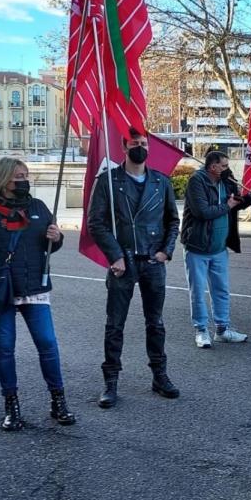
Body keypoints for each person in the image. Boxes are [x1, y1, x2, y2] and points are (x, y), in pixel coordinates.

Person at [0, 157, 75, 430]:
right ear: (2, 180)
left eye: (26, 175)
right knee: (5, 348)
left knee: (47, 344)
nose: (23, 180)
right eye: (17, 176)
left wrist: (56, 239)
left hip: (34, 286)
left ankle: (58, 401)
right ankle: (11, 404)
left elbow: (48, 248)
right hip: (0, 289)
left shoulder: (39, 207)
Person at [87, 130, 181, 407]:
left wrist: (166, 251)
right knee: (115, 325)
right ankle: (111, 381)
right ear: (123, 147)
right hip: (123, 262)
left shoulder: (160, 182)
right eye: (134, 144)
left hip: (153, 261)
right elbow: (96, 223)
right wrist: (114, 256)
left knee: (156, 323)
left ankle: (160, 376)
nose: (140, 148)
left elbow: (172, 221)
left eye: (143, 144)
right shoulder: (108, 181)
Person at [181, 151, 251, 347]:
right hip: (197, 247)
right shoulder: (197, 181)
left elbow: (235, 203)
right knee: (198, 291)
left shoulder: (226, 181)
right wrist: (227, 205)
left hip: (219, 248)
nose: (226, 168)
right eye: (223, 165)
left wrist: (250, 197)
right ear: (212, 167)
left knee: (221, 290)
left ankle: (222, 329)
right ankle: (201, 330)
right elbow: (202, 212)